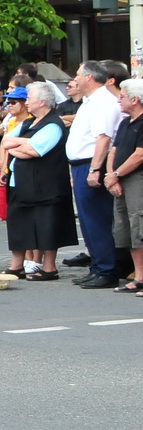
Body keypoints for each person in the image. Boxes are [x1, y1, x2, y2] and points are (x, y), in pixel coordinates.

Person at [2, 82, 79, 282]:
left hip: (46, 184)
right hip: (20, 181)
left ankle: (49, 267)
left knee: (47, 224)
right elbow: (7, 142)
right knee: (18, 222)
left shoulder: (53, 124)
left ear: (42, 101)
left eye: (29, 98)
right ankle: (16, 265)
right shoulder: (29, 123)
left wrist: (20, 146)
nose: (26, 101)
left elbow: (35, 151)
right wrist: (23, 144)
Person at [66, 61, 124, 289]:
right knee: (88, 221)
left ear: (89, 77)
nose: (75, 79)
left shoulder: (104, 102)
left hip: (91, 163)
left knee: (97, 219)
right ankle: (97, 266)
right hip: (80, 164)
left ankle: (107, 269)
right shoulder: (91, 102)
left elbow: (104, 138)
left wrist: (95, 169)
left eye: (78, 74)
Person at [104, 79, 143, 294]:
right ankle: (139, 277)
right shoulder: (125, 122)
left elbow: (140, 154)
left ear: (135, 99)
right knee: (127, 228)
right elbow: (114, 149)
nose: (119, 99)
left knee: (140, 226)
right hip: (119, 178)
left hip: (137, 179)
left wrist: (116, 174)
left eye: (123, 96)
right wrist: (111, 175)